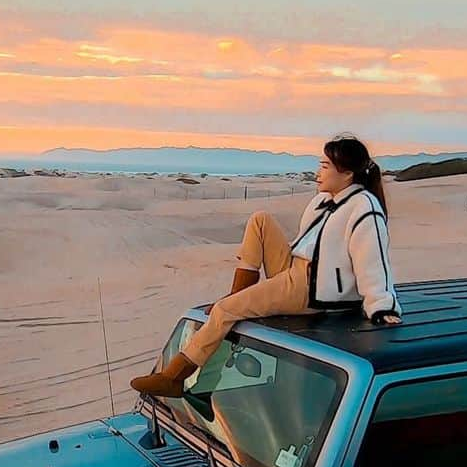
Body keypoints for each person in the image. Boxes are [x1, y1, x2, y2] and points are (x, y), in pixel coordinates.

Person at [130, 134, 402, 399]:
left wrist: (381, 305)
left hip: (312, 287)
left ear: (347, 174)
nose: (318, 172)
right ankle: (236, 295)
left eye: (325, 166)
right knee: (260, 220)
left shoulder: (364, 207)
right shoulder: (322, 201)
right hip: (295, 268)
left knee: (226, 311)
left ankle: (174, 377)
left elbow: (372, 259)